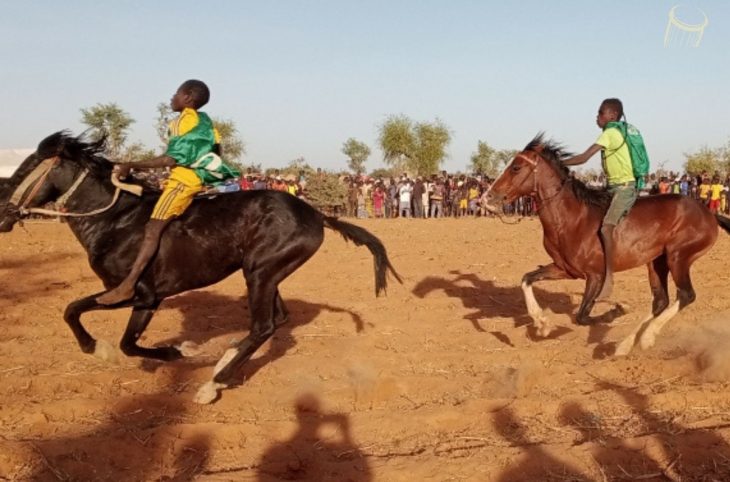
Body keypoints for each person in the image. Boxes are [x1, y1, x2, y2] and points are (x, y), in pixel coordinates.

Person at [97, 80, 239, 305]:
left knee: (153, 228)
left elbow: (170, 158)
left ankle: (128, 284)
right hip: (194, 178)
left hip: (183, 181)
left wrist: (130, 164)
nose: (172, 98)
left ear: (188, 97)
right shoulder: (206, 122)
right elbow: (217, 151)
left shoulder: (184, 120)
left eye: (177, 93)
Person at [563, 98, 640, 299]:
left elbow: (583, 158)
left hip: (624, 188)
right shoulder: (616, 132)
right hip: (612, 187)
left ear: (612, 115)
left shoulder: (611, 133)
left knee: (606, 228)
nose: (597, 117)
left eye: (600, 113)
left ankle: (608, 276)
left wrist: (555, 163)